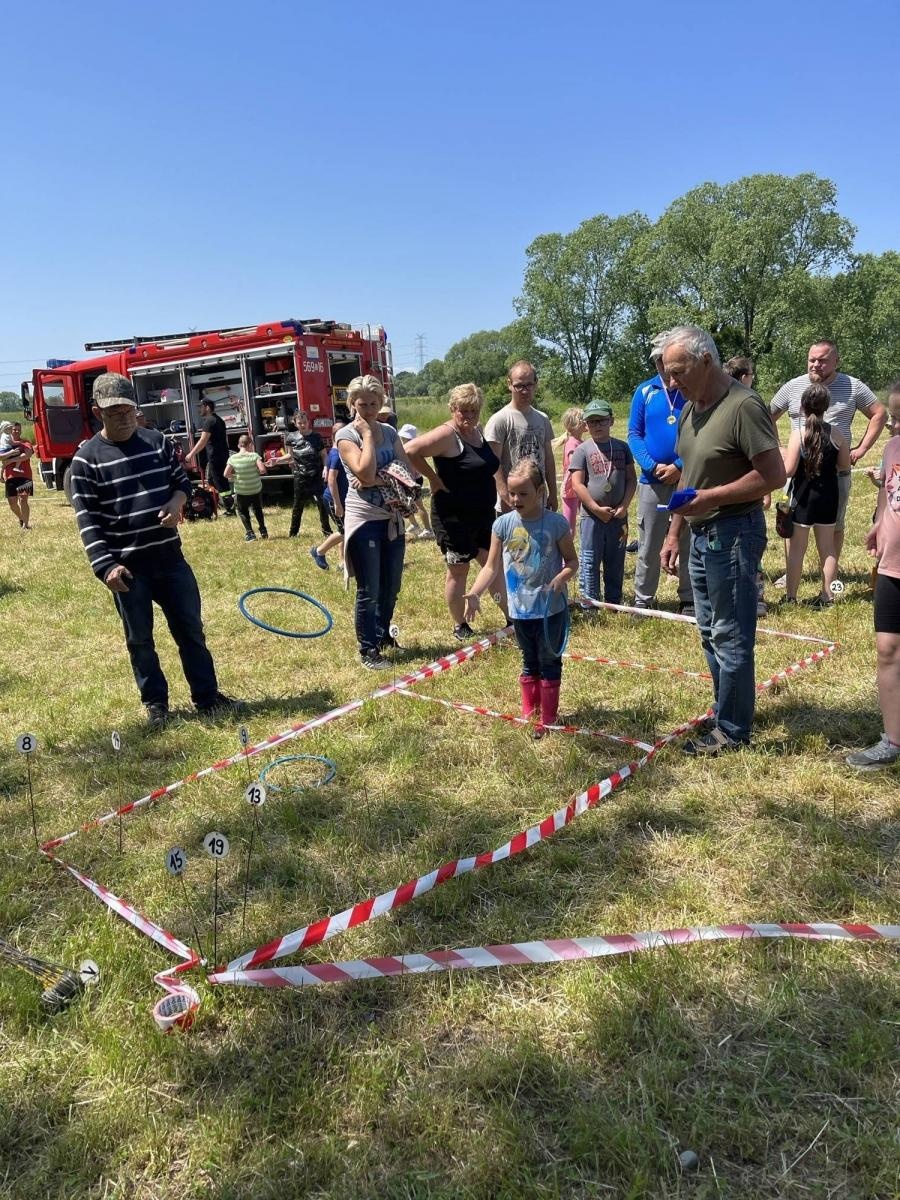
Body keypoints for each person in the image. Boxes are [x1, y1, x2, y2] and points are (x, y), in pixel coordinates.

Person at [69, 373, 237, 727]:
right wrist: (106, 567)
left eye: (129, 411)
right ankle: (156, 704)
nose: (124, 418)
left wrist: (178, 504)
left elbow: (181, 483)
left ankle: (207, 698)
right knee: (140, 640)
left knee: (191, 629)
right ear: (98, 412)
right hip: (128, 568)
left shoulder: (157, 442)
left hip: (170, 558)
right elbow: (88, 521)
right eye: (115, 413)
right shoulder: (86, 461)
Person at [659, 326, 785, 755]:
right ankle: (727, 709)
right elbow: (692, 475)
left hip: (733, 534)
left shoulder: (743, 406)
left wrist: (709, 499)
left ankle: (731, 731)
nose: (671, 383)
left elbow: (773, 475)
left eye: (678, 372)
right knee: (710, 631)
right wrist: (675, 532)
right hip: (701, 536)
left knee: (731, 636)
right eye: (667, 374)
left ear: (705, 361)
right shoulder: (694, 408)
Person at [463, 458, 577, 737]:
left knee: (550, 662)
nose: (515, 499)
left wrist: (562, 577)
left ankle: (547, 720)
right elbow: (491, 566)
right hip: (520, 611)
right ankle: (530, 715)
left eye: (523, 493)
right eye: (512, 493)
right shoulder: (501, 525)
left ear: (540, 493)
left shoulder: (556, 523)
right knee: (529, 661)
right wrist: (475, 593)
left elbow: (572, 561)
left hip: (551, 610)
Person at [770, 341, 885, 580]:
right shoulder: (793, 386)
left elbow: (879, 413)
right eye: (812, 359)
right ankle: (791, 575)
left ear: (836, 361)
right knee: (791, 524)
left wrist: (861, 448)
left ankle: (830, 578)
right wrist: (778, 448)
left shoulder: (853, 386)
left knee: (835, 524)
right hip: (798, 472)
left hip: (834, 474)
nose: (816, 364)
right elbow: (767, 416)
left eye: (822, 360)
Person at [404, 383, 506, 641]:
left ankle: (511, 617)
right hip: (454, 517)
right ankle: (460, 624)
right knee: (459, 569)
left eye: (474, 410)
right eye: (463, 411)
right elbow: (410, 450)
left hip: (483, 514)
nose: (469, 416)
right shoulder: (448, 434)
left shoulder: (478, 432)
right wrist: (432, 479)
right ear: (453, 409)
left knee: (492, 565)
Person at [336, 375, 417, 668]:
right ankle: (368, 649)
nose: (368, 410)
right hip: (364, 520)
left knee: (392, 584)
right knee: (369, 588)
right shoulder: (347, 436)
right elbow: (365, 474)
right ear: (352, 405)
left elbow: (405, 472)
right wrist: (369, 438)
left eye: (373, 403)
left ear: (381, 403)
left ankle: (382, 634)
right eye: (362, 405)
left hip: (392, 517)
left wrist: (376, 477)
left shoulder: (391, 432)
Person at [846, 383, 900, 769]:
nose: (896, 426)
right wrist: (878, 524)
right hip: (893, 565)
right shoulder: (893, 448)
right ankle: (893, 740)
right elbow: (888, 487)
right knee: (887, 650)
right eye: (896, 418)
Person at [627, 334, 693, 614]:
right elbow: (634, 433)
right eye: (656, 360)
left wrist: (679, 464)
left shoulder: (690, 391)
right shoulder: (645, 391)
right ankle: (644, 599)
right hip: (651, 480)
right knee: (649, 540)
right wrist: (651, 465)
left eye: (664, 360)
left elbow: (698, 433)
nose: (661, 366)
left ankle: (689, 598)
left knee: (688, 538)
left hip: (686, 476)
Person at [781, 384, 850, 606]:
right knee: (827, 549)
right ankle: (828, 597)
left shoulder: (798, 435)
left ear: (802, 407)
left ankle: (791, 597)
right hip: (828, 497)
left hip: (803, 499)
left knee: (796, 551)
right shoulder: (837, 434)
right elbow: (844, 466)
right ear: (826, 407)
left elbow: (789, 470)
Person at [569, 399, 636, 606]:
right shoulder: (582, 450)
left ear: (612, 421)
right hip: (592, 518)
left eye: (602, 421)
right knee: (590, 560)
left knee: (616, 560)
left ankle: (613, 601)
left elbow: (631, 479)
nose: (597, 426)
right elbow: (577, 484)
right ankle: (590, 602)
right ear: (585, 425)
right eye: (592, 422)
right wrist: (595, 508)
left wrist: (624, 506)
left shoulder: (622, 448)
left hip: (618, 517)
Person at [485, 361, 557, 512]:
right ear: (509, 384)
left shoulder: (542, 419)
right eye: (519, 386)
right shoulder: (500, 420)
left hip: (539, 502)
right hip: (512, 504)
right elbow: (493, 463)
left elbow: (548, 459)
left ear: (536, 384)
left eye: (529, 385)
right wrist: (505, 495)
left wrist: (553, 493)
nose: (524, 391)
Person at [274, 410, 332, 538]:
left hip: (316, 473)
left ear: (308, 422)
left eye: (305, 422)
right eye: (300, 423)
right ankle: (293, 533)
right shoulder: (291, 437)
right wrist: (276, 461)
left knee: (322, 503)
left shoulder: (316, 437)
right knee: (298, 504)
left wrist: (326, 468)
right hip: (300, 474)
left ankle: (326, 530)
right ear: (295, 423)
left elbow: (324, 455)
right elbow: (290, 455)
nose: (303, 425)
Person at [310, 417, 349, 570]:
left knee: (345, 529)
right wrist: (337, 504)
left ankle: (344, 562)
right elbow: (331, 480)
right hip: (333, 499)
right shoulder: (336, 455)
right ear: (335, 437)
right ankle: (319, 551)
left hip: (342, 497)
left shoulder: (339, 451)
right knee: (345, 530)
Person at [184, 398, 235, 515]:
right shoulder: (218, 420)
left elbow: (203, 440)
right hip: (221, 455)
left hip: (216, 457)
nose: (199, 410)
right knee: (212, 481)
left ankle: (230, 509)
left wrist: (191, 454)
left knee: (221, 483)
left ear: (207, 407)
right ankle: (211, 506)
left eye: (201, 407)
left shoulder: (209, 421)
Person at [224, 433, 268, 542]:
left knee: (243, 512)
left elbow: (226, 474)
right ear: (250, 445)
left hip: (241, 490)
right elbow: (262, 470)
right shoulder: (254, 456)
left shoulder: (233, 458)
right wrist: (255, 472)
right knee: (257, 510)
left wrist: (235, 476)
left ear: (239, 445)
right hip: (255, 489)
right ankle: (263, 530)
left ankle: (250, 533)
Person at [397, 424, 435, 541]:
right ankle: (414, 524)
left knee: (419, 505)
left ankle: (428, 529)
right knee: (405, 504)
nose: (403, 440)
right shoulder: (405, 448)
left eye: (405, 438)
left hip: (413, 480)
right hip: (407, 479)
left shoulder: (410, 450)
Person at [3, 421, 34, 529]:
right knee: (12, 503)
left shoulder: (25, 442)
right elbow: (1, 457)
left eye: (18, 429)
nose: (16, 431)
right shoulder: (5, 444)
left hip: (25, 476)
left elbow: (28, 454)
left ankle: (26, 525)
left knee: (23, 499)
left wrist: (9, 461)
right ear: (10, 431)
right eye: (14, 429)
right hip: (10, 476)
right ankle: (21, 518)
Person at [559, 408, 585, 534]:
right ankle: (566, 552)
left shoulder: (580, 442)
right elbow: (573, 462)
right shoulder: (572, 443)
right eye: (583, 420)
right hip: (570, 489)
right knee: (569, 527)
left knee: (585, 518)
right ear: (576, 424)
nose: (587, 422)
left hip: (580, 487)